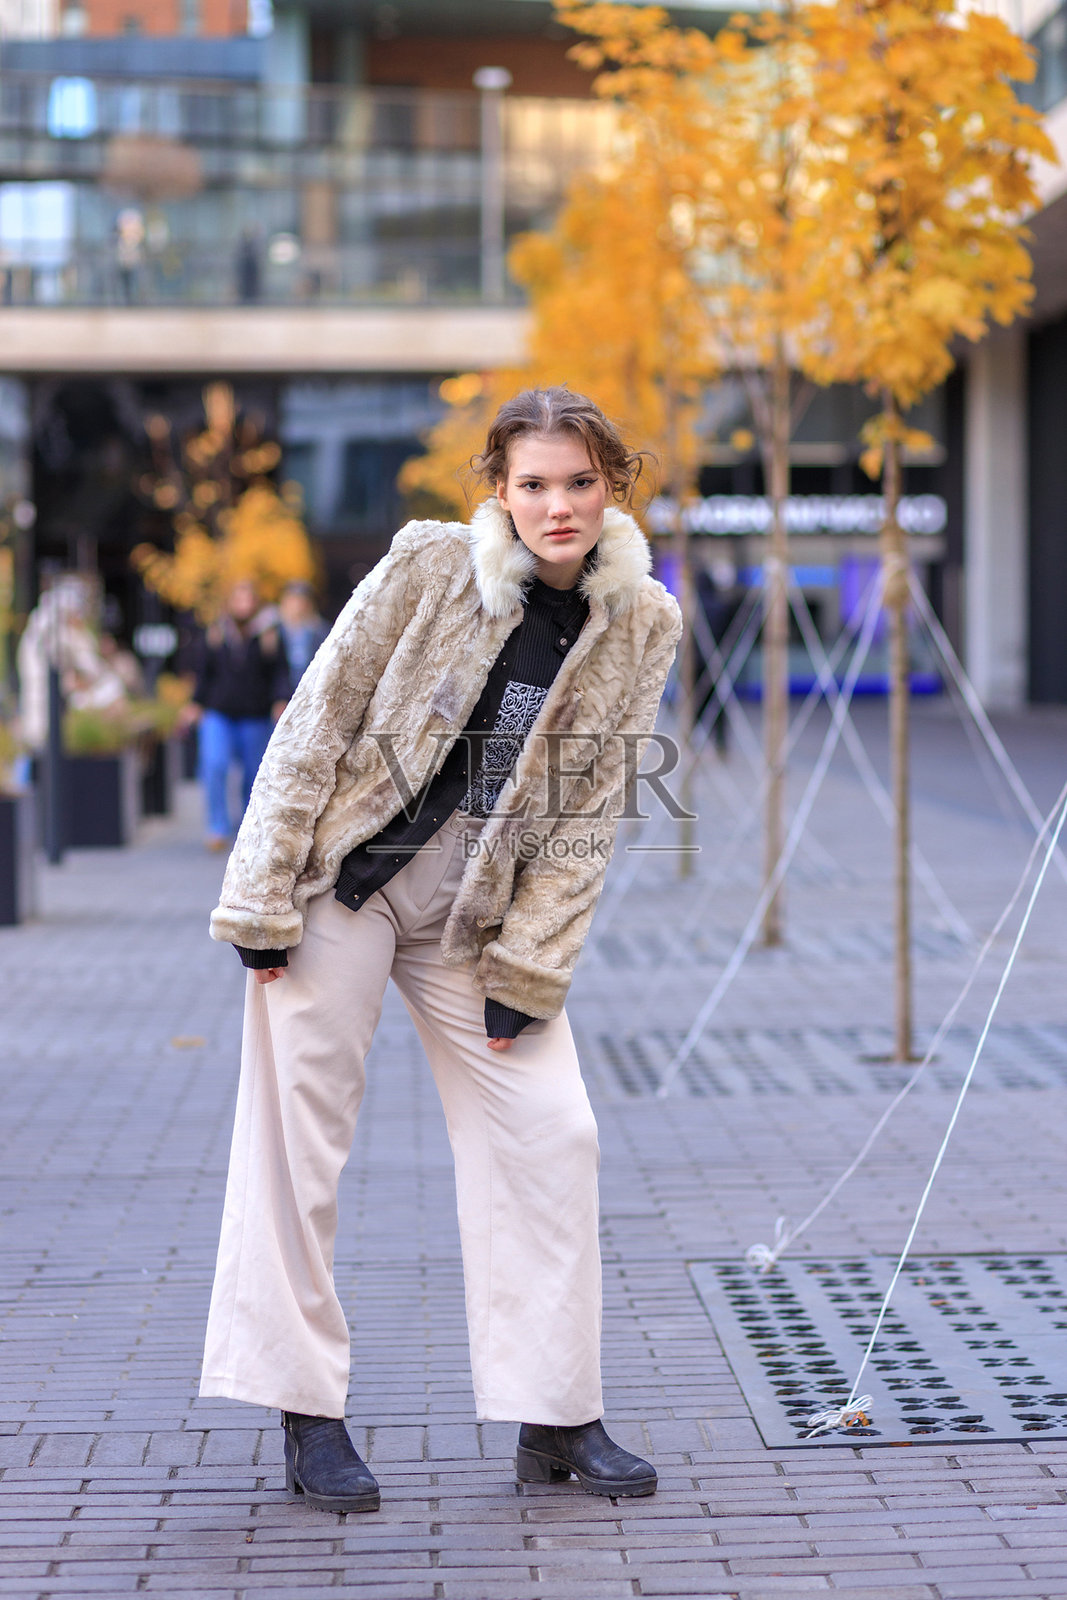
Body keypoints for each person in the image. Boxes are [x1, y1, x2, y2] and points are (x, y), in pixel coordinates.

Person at [199, 386, 683, 1513]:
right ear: (497, 488)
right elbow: (317, 716)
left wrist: (531, 967)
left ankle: (557, 1416)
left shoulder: (640, 618)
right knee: (297, 1142)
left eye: (577, 482)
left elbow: (584, 807)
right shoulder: (427, 567)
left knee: (553, 1129)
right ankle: (307, 1414)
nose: (554, 505)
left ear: (610, 483)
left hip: (476, 911)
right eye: (531, 483)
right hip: (344, 887)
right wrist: (261, 891)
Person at [188, 580, 290, 851]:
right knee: (214, 764)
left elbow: (280, 672)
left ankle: (248, 826)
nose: (243, 606)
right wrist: (195, 704)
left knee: (253, 774)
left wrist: (281, 700)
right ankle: (217, 826)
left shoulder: (270, 633)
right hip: (218, 713)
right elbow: (203, 673)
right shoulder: (216, 632)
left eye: (248, 600)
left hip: (254, 714)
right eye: (238, 599)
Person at [277, 579, 329, 694]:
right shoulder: (274, 631)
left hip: (311, 692)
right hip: (280, 697)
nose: (297, 605)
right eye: (292, 599)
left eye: (301, 600)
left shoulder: (321, 631)